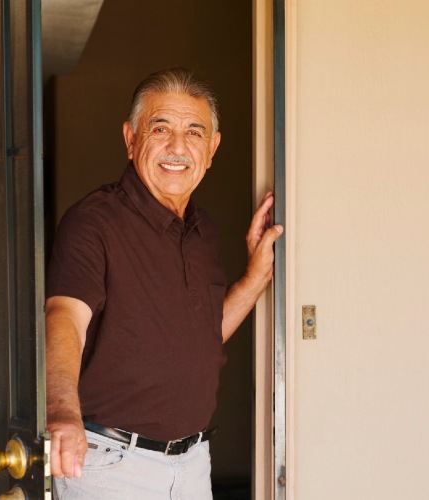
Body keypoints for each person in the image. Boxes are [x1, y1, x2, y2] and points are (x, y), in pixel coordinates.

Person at [45, 67, 283, 499]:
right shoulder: (93, 222)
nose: (178, 147)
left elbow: (203, 339)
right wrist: (61, 410)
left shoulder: (203, 230)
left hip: (192, 463)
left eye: (195, 132)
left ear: (212, 149)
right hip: (111, 465)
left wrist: (254, 277)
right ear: (130, 138)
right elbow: (64, 316)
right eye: (160, 128)